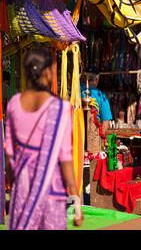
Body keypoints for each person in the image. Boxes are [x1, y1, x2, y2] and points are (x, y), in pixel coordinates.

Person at [4, 47, 83, 230]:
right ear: (47, 72)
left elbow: (9, 153)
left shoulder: (14, 104)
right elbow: (65, 157)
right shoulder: (60, 108)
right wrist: (76, 200)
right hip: (51, 190)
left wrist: (14, 186)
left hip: (23, 188)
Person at [81, 67, 113, 131]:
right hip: (93, 133)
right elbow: (106, 121)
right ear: (96, 80)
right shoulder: (101, 96)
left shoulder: (74, 91)